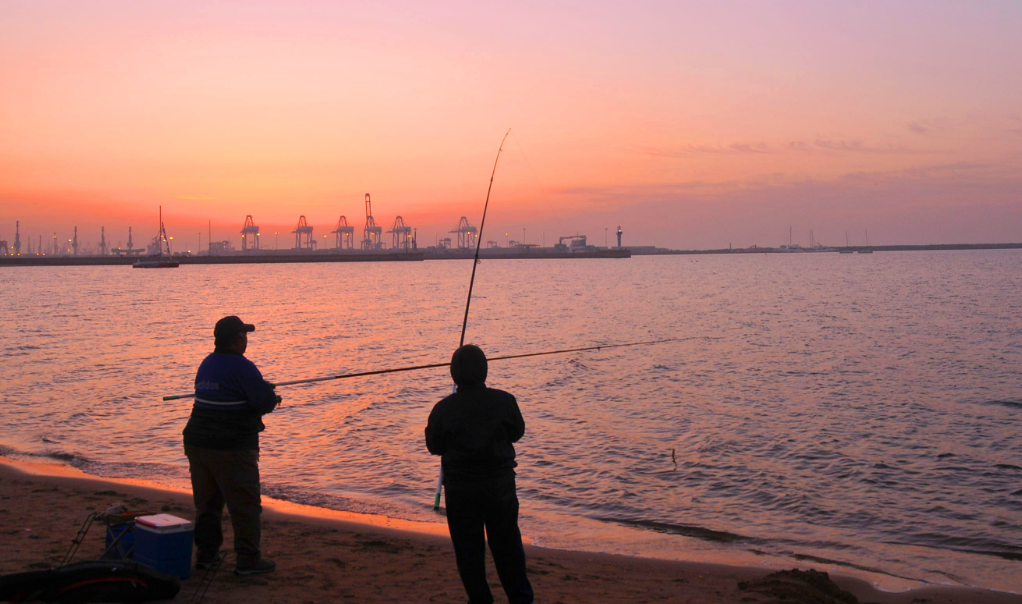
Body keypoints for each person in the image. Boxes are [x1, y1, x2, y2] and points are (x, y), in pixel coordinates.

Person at [425, 344, 535, 604]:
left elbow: (434, 446)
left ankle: (480, 600)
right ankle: (520, 599)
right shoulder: (504, 400)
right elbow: (517, 432)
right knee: (507, 546)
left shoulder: (443, 409)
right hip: (500, 488)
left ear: (454, 374)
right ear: (484, 370)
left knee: (468, 551)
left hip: (461, 491)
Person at [182, 315, 280, 576]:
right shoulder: (242, 367)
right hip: (230, 447)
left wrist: (260, 390)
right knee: (245, 506)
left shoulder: (207, 363)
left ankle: (206, 557)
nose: (246, 340)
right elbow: (263, 403)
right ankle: (248, 561)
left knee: (208, 504)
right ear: (237, 339)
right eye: (245, 335)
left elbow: (229, 395)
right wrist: (273, 395)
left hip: (196, 443)